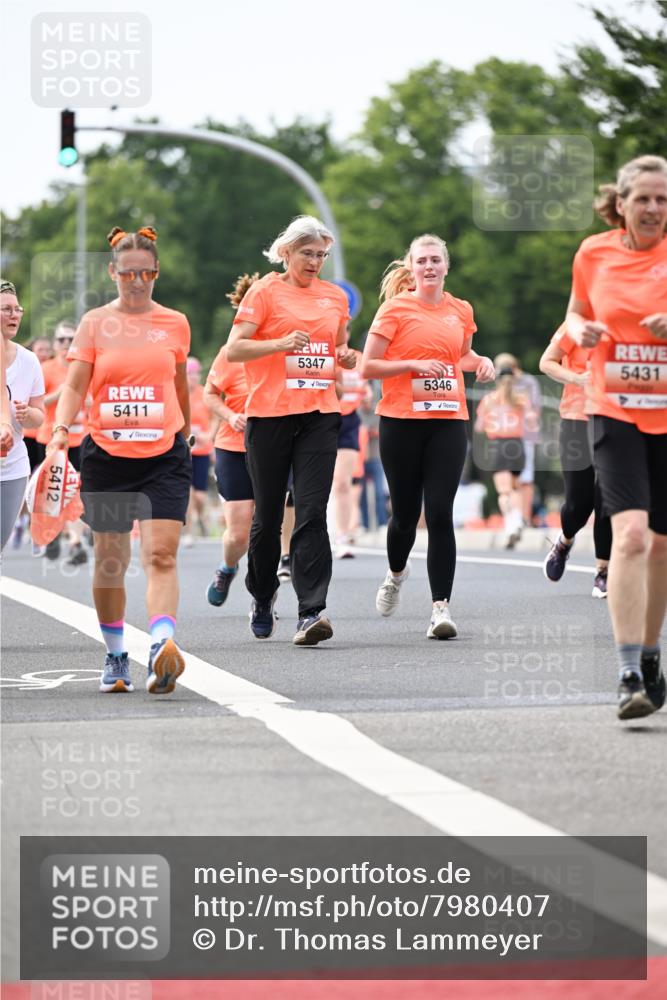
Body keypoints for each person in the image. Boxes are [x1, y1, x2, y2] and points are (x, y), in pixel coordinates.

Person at [46, 226, 192, 695]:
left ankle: (161, 645)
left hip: (164, 456)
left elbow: (179, 384)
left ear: (157, 272)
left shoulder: (175, 322)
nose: (137, 281)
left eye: (146, 273)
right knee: (111, 560)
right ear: (113, 273)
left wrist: (186, 432)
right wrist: (60, 431)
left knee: (161, 554)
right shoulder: (94, 324)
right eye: (128, 273)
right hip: (108, 457)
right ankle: (115, 654)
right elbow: (74, 385)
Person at [565, 154, 667, 721]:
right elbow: (575, 313)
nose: (653, 208)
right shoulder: (593, 253)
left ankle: (650, 653)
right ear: (621, 203)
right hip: (613, 408)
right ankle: (628, 670)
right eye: (643, 198)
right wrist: (581, 330)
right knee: (628, 536)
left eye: (662, 199)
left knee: (661, 544)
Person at [226, 215, 356, 645]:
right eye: (307, 253)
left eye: (321, 255)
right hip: (270, 416)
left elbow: (338, 343)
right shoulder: (264, 292)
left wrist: (345, 355)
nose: (314, 262)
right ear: (286, 252)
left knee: (312, 511)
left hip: (320, 414)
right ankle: (263, 595)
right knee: (267, 517)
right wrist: (279, 344)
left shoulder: (335, 297)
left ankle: (311, 611)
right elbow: (234, 349)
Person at [360, 234, 494, 639]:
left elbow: (461, 355)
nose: (429, 266)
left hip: (448, 419)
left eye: (436, 260)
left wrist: (482, 362)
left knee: (438, 512)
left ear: (446, 266)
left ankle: (440, 609)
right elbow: (368, 366)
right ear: (412, 267)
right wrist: (412, 365)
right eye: (422, 261)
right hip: (400, 421)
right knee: (404, 515)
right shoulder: (395, 309)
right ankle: (396, 573)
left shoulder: (460, 309)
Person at [539, 324, 612, 596]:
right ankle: (564, 541)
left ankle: (603, 572)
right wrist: (578, 378)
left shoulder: (628, 321)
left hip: (615, 419)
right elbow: (546, 362)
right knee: (578, 504)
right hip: (576, 418)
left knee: (607, 498)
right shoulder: (577, 323)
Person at [204, 275, 255, 607]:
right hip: (233, 447)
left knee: (268, 530)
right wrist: (230, 415)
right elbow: (209, 394)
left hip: (273, 449)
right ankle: (227, 567)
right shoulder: (230, 352)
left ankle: (262, 596)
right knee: (238, 534)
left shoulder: (283, 347)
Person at [38, 322, 89, 564]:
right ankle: (54, 532)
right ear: (55, 343)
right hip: (52, 439)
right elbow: (35, 404)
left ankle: (75, 542)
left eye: (71, 339)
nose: (66, 344)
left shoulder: (85, 367)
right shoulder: (45, 369)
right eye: (62, 340)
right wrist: (61, 394)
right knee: (53, 492)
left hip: (80, 438)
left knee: (75, 491)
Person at [1, 280, 45, 551]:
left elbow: (40, 416)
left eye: (17, 309)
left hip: (13, 466)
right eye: (6, 309)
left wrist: (28, 415)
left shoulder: (29, 361)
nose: (14, 315)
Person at [474, 366, 538, 549]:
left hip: (499, 445)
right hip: (517, 444)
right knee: (516, 487)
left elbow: (479, 427)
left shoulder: (489, 399)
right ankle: (517, 520)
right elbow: (532, 421)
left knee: (504, 491)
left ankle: (511, 524)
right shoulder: (521, 398)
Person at [494, 352, 542, 526]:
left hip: (524, 436)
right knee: (511, 482)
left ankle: (524, 517)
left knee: (524, 479)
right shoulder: (502, 381)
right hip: (507, 437)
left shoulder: (527, 382)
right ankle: (516, 518)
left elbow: (535, 409)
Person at [332, 348, 368, 558]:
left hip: (349, 422)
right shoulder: (322, 351)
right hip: (322, 417)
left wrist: (367, 394)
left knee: (343, 483)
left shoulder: (359, 358)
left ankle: (343, 536)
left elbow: (365, 386)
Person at [183, 356, 213, 547]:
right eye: (190, 374)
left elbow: (215, 418)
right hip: (184, 451)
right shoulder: (178, 394)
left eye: (196, 374)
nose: (193, 377)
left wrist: (208, 436)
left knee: (200, 496)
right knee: (188, 491)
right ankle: (189, 532)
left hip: (202, 450)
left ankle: (201, 516)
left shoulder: (205, 394)